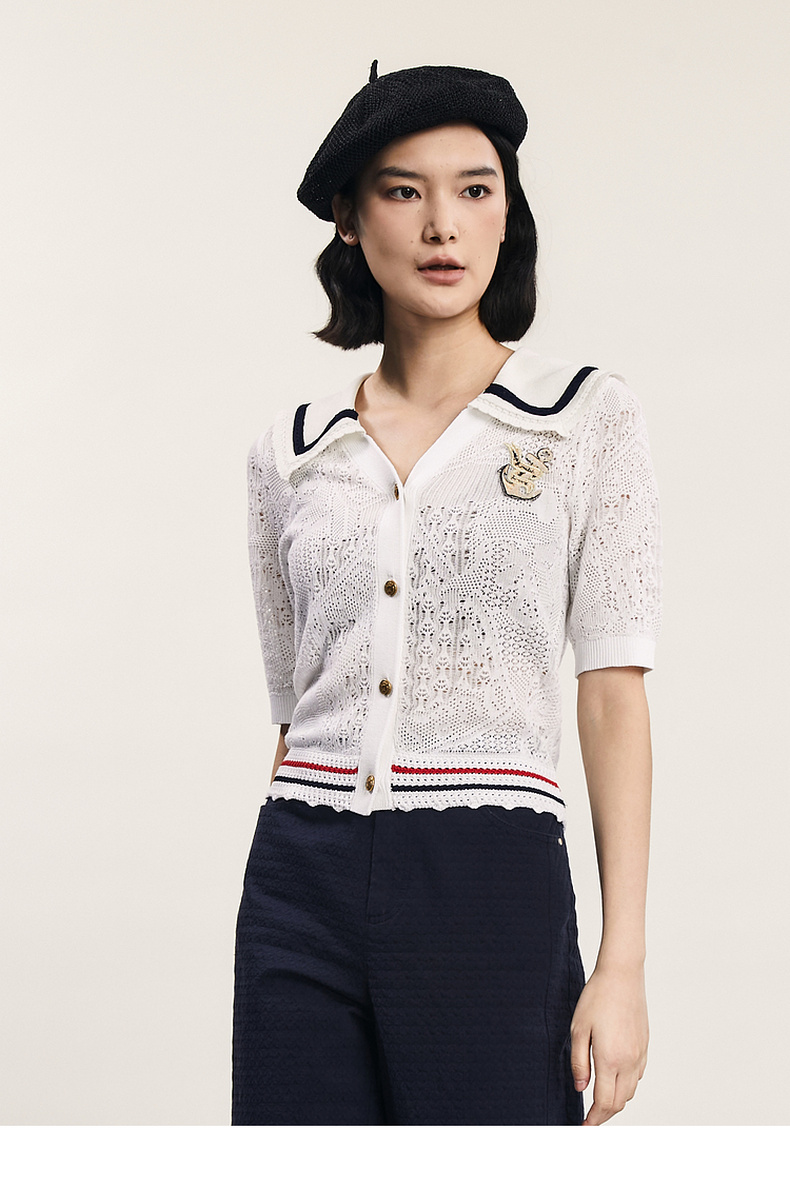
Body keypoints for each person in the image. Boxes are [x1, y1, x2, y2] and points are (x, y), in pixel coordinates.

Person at [232, 62, 662, 1126]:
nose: (443, 224)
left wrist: (622, 961)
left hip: (490, 876)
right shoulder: (290, 453)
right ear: (348, 219)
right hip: (300, 874)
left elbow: (612, 695)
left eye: (475, 189)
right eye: (402, 190)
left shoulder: (584, 421)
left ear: (507, 213)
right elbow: (295, 715)